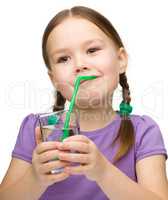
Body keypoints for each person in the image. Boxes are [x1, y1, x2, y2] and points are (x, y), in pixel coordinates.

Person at [0, 5, 167, 200]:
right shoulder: (35, 128)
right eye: (64, 58)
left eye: (92, 50)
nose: (80, 65)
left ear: (121, 60)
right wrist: (35, 178)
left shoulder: (143, 131)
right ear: (53, 78)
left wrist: (104, 172)